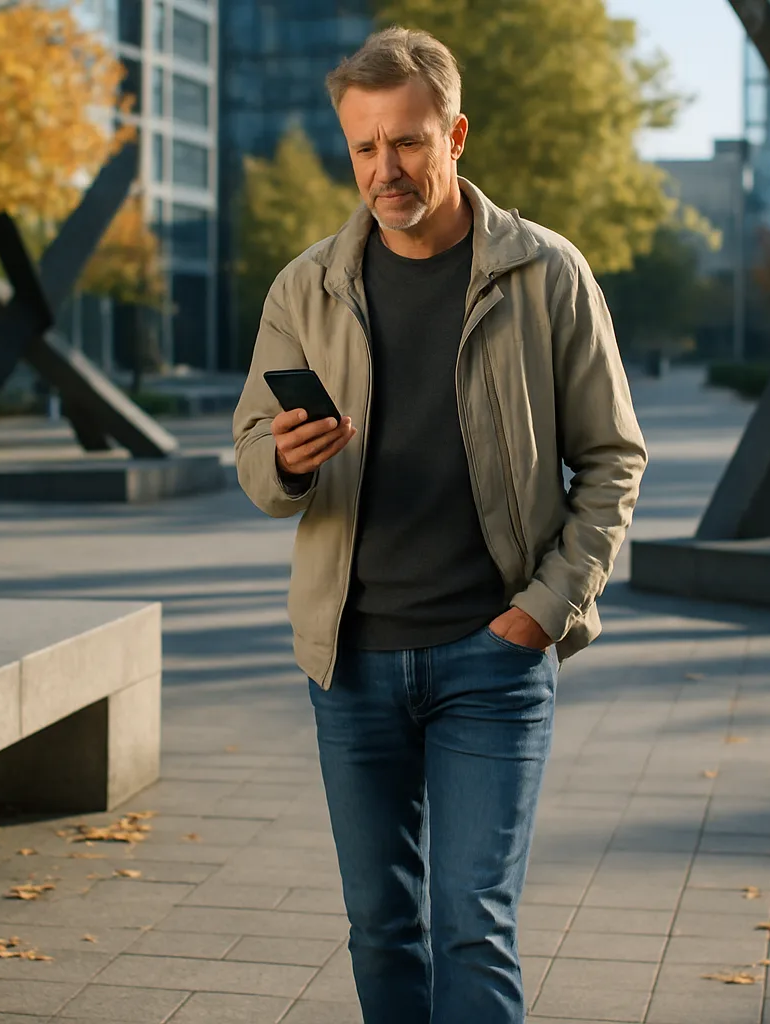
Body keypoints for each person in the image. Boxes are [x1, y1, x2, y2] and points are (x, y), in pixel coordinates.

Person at [232, 26, 647, 1024]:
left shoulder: (546, 274)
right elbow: (253, 451)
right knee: (381, 924)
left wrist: (545, 609)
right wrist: (282, 461)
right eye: (366, 146)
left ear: (455, 134)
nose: (387, 167)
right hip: (354, 661)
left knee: (473, 923)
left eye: (409, 141)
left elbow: (615, 459)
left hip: (492, 660)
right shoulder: (307, 286)